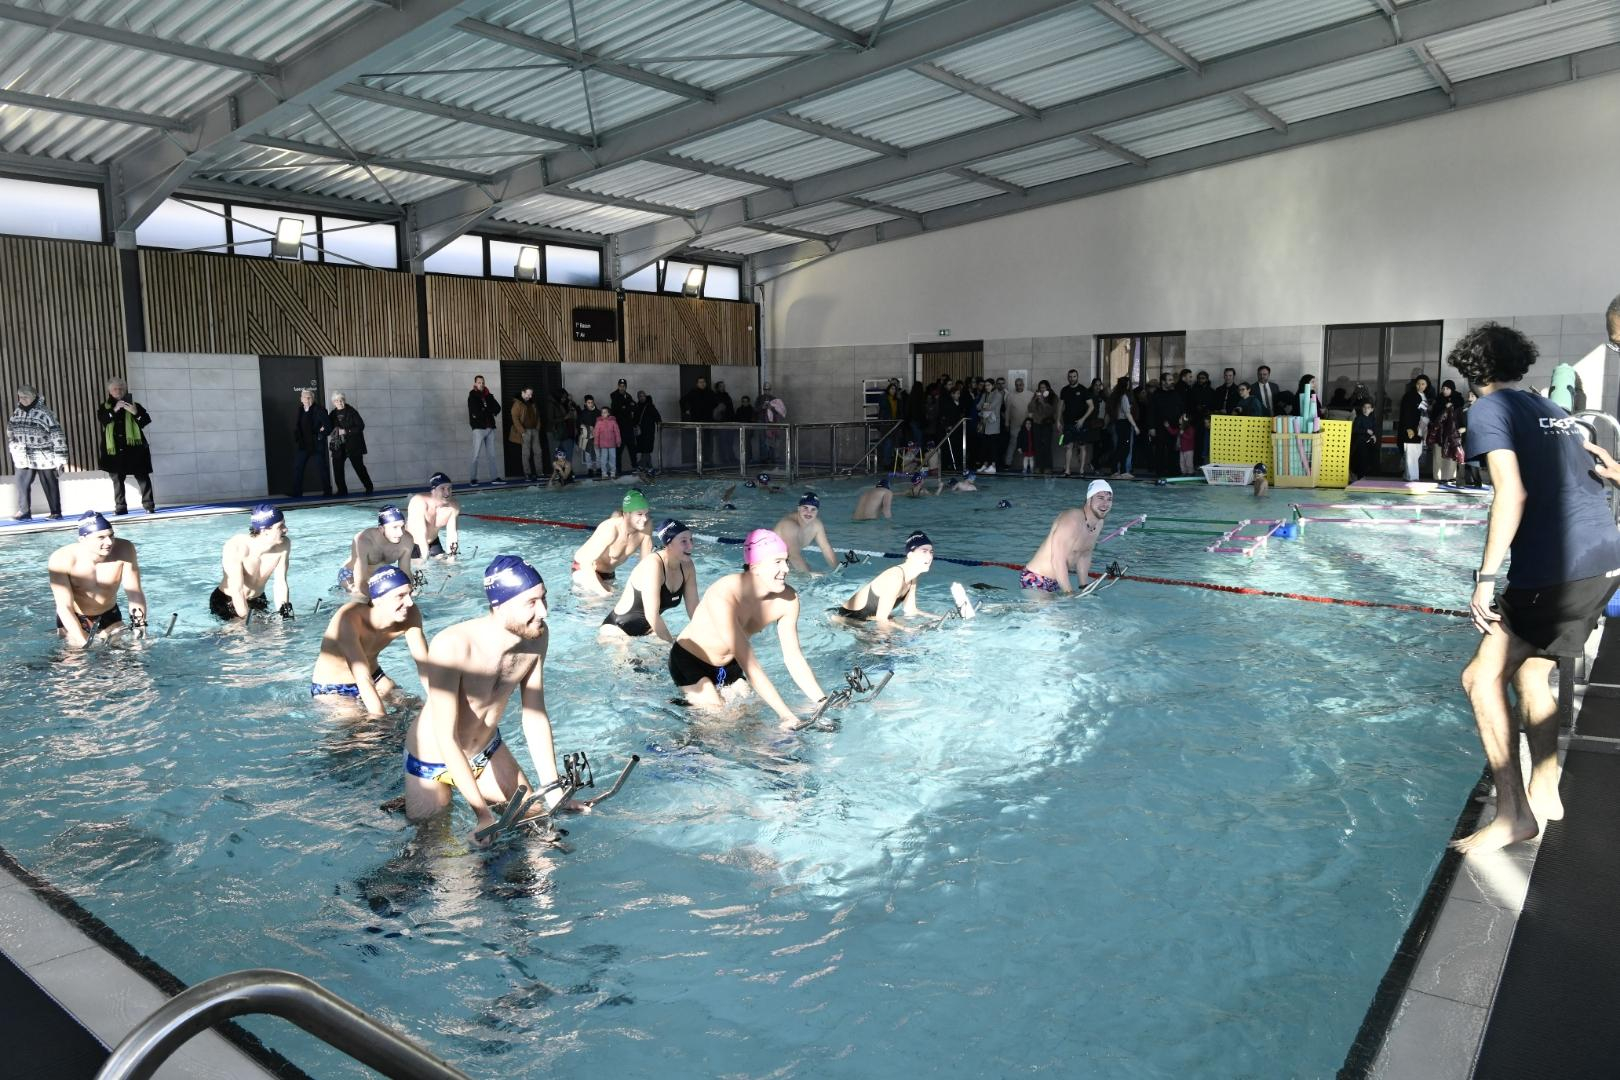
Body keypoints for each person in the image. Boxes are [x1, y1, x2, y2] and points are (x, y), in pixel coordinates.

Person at [1450, 321, 1620, 854]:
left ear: (1468, 369)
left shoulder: (1488, 410)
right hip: (1604, 561)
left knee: (1480, 679)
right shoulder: (1551, 411)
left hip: (1556, 569)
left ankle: (1512, 817)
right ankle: (1545, 791)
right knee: (1531, 674)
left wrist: (1484, 578)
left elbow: (1512, 493)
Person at [403, 556, 571, 847]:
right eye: (531, 602)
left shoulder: (536, 637)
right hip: (432, 761)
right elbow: (446, 737)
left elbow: (534, 715)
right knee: (439, 858)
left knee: (542, 830)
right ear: (499, 605)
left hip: (486, 750)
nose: (543, 611)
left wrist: (553, 788)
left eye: (543, 598)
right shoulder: (453, 645)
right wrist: (481, 813)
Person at [668, 529, 827, 728]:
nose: (786, 568)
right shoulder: (725, 594)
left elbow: (794, 658)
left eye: (786, 561)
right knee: (717, 719)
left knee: (750, 718)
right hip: (689, 660)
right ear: (755, 566)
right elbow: (750, 665)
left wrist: (822, 702)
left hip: (728, 666)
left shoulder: (788, 600)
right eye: (777, 561)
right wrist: (786, 715)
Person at [309, 566, 429, 717]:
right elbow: (362, 677)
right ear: (378, 599)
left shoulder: (410, 614)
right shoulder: (348, 618)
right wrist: (381, 722)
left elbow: (425, 665)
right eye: (401, 595)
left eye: (410, 594)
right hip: (334, 689)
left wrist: (438, 703)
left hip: (376, 678)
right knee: (368, 733)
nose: (410, 602)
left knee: (419, 708)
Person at [49, 512, 147, 647]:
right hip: (74, 617)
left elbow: (134, 593)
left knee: (130, 656)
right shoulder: (62, 559)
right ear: (83, 540)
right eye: (101, 537)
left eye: (111, 535)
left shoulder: (125, 549)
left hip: (109, 616)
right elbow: (64, 607)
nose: (109, 542)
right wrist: (83, 642)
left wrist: (140, 627)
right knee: (78, 661)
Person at [600, 518, 698, 642]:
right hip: (618, 631)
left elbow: (694, 609)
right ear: (668, 544)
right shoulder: (653, 564)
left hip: (649, 631)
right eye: (683, 541)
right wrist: (672, 645)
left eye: (691, 539)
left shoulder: (687, 566)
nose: (690, 546)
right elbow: (652, 614)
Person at [1020, 480, 1114, 595]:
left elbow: (1084, 554)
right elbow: (1057, 560)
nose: (1105, 503)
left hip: (1057, 582)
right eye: (1100, 498)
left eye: (1109, 499)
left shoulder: (1098, 523)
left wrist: (1083, 586)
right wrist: (1068, 593)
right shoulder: (1071, 519)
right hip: (1036, 579)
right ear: (1089, 499)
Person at [835, 531, 936, 627]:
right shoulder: (895, 577)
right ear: (910, 555)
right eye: (924, 551)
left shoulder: (912, 578)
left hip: (867, 620)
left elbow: (911, 610)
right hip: (847, 620)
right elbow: (882, 620)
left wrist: (937, 618)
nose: (929, 556)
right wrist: (908, 630)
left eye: (931, 552)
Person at [212, 504, 292, 620]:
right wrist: (246, 622)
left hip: (257, 599)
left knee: (276, 634)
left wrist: (285, 615)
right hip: (228, 601)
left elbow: (280, 584)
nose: (286, 529)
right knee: (243, 634)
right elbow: (237, 591)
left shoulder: (284, 545)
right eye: (280, 526)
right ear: (265, 530)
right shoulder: (237, 547)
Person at [571, 488, 654, 596]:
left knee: (619, 603)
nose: (644, 519)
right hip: (584, 571)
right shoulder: (610, 528)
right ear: (626, 514)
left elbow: (645, 564)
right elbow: (586, 563)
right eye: (639, 514)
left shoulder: (646, 527)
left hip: (608, 575)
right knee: (600, 604)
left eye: (646, 513)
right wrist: (603, 592)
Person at [97, 377, 155, 515]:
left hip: (135, 448)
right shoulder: (104, 407)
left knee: (143, 477)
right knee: (117, 480)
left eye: (121, 388)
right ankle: (121, 507)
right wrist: (114, 410)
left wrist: (136, 413)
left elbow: (145, 421)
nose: (118, 391)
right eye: (115, 389)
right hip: (114, 450)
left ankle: (149, 506)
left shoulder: (135, 405)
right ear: (110, 391)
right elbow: (103, 420)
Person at [8, 383, 66, 520]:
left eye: (26, 397)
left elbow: (57, 435)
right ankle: (24, 511)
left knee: (49, 483)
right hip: (23, 454)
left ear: (34, 397)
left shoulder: (45, 412)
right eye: (21, 397)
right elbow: (10, 431)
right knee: (21, 483)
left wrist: (61, 458)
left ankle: (55, 512)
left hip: (44, 454)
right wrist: (13, 446)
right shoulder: (17, 412)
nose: (23, 400)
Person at [341, 505, 416, 597]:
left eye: (402, 526)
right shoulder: (363, 540)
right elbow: (360, 583)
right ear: (381, 528)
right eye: (394, 527)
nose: (400, 533)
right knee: (359, 597)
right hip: (351, 574)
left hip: (378, 575)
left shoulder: (407, 540)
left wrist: (410, 593)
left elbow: (406, 572)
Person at [773, 492, 837, 573]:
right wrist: (809, 576)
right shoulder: (789, 525)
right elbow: (794, 556)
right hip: (769, 564)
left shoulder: (816, 524)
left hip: (785, 561)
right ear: (798, 508)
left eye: (813, 509)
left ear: (817, 511)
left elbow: (826, 548)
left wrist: (837, 570)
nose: (809, 513)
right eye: (805, 508)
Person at [327, 391, 374, 497]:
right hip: (339, 446)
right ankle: (342, 491)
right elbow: (328, 425)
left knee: (359, 467)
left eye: (341, 400)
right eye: (337, 401)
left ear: (344, 400)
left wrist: (346, 431)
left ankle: (369, 487)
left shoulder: (352, 411)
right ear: (333, 402)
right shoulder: (333, 414)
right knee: (337, 468)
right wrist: (323, 428)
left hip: (353, 445)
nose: (339, 402)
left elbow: (361, 426)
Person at [406, 473, 460, 560]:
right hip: (413, 544)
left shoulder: (453, 506)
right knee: (420, 567)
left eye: (449, 488)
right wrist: (425, 560)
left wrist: (452, 557)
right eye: (443, 489)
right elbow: (421, 536)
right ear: (433, 490)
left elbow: (452, 535)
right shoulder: (418, 502)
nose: (447, 493)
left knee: (449, 566)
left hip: (433, 541)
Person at [291, 388, 331, 498]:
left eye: (309, 397)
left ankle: (328, 492)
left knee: (321, 467)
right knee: (298, 467)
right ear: (301, 399)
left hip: (316, 444)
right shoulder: (300, 410)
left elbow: (328, 427)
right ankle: (297, 493)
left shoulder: (320, 410)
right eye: (305, 397)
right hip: (304, 444)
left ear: (313, 399)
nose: (307, 399)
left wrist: (320, 435)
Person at [467, 375, 502, 485]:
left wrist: (486, 410)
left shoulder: (489, 395)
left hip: (490, 428)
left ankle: (494, 478)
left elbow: (497, 408)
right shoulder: (472, 396)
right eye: (479, 382)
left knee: (491, 455)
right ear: (475, 384)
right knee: (475, 455)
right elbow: (475, 413)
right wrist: (487, 410)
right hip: (478, 429)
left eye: (482, 382)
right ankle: (473, 479)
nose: (481, 384)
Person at [1428, 379, 1465, 484]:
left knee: (1451, 454)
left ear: (1452, 389)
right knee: (1438, 454)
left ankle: (1450, 476)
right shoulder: (1439, 400)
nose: (1445, 390)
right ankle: (1438, 477)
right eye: (1443, 388)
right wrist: (1444, 407)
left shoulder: (1458, 400)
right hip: (1439, 432)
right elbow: (1434, 417)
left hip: (1452, 432)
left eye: (1447, 388)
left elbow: (1460, 416)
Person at [1399, 374, 1433, 481]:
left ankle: (1408, 476)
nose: (1420, 386)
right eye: (1418, 384)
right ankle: (1412, 478)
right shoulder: (1409, 396)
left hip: (1421, 430)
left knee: (1416, 453)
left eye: (1423, 384)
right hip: (1412, 429)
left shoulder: (1426, 396)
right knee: (1411, 453)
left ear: (1427, 385)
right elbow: (1406, 413)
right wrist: (1408, 428)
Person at [509, 387, 544, 482]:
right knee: (526, 454)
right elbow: (515, 419)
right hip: (525, 431)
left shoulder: (532, 403)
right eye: (528, 394)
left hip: (534, 430)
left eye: (531, 394)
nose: (530, 396)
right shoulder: (517, 403)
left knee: (538, 452)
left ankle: (539, 473)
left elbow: (538, 416)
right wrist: (522, 432)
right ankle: (527, 474)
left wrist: (537, 428)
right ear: (523, 393)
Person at [1107, 377, 1138, 480]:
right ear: (1127, 385)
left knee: (1120, 447)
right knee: (1124, 448)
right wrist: (1135, 426)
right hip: (1124, 423)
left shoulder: (1116, 396)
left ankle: (1116, 470)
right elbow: (1127, 413)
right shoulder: (1124, 397)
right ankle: (1121, 471)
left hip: (1118, 423)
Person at [1027, 380, 1057, 474]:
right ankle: (1038, 466)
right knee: (1037, 446)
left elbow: (1052, 411)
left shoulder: (1053, 396)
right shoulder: (1036, 396)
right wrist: (1035, 399)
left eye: (1044, 387)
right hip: (1037, 424)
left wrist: (1043, 402)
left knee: (1046, 446)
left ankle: (1048, 466)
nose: (1042, 389)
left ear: (1048, 388)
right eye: (1040, 387)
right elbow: (1030, 408)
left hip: (1047, 424)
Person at [610, 378, 635, 474]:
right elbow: (616, 409)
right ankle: (618, 470)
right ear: (618, 386)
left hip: (629, 427)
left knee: (632, 449)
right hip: (619, 428)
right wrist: (628, 407)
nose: (621, 388)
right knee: (618, 451)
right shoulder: (614, 395)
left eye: (623, 386)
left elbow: (634, 407)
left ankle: (635, 467)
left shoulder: (628, 396)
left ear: (626, 387)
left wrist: (625, 407)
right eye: (620, 386)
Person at [1351, 400, 1380, 480]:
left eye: (1368, 408)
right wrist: (1366, 430)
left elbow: (1374, 429)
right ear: (1362, 408)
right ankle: (1360, 477)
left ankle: (1365, 476)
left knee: (1368, 460)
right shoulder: (1359, 418)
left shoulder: (1372, 418)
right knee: (1361, 460)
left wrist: (1374, 435)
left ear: (1372, 409)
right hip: (1360, 442)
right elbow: (1355, 430)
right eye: (1364, 407)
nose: (1366, 409)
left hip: (1369, 442)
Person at [632, 390, 660, 471]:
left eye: (643, 396)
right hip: (640, 432)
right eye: (640, 396)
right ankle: (649, 467)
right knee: (645, 449)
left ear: (645, 396)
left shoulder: (650, 406)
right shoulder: (637, 406)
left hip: (649, 432)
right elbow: (635, 419)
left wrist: (659, 424)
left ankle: (641, 465)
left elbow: (657, 416)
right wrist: (634, 425)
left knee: (646, 449)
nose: (641, 397)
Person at [594, 406, 622, 480]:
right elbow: (596, 434)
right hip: (603, 445)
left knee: (613, 458)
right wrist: (596, 443)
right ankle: (604, 473)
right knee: (603, 459)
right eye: (602, 412)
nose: (603, 414)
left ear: (608, 413)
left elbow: (617, 432)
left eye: (605, 412)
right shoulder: (599, 422)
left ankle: (613, 473)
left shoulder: (613, 422)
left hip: (612, 444)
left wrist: (618, 441)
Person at [577, 393, 599, 477]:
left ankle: (599, 468)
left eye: (591, 402)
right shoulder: (582, 413)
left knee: (598, 452)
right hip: (586, 435)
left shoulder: (598, 412)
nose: (590, 404)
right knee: (587, 453)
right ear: (585, 403)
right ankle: (589, 469)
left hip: (596, 435)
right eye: (588, 402)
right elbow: (579, 423)